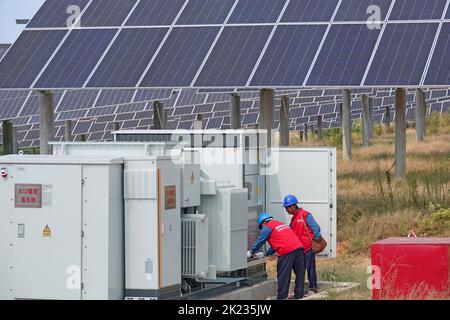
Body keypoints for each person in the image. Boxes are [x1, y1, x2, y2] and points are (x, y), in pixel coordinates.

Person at [247, 213, 305, 300]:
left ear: (263, 223)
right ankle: (299, 295)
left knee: (283, 275)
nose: (262, 229)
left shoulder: (268, 227)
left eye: (261, 227)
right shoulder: (281, 224)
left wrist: (250, 252)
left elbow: (260, 241)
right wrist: (265, 254)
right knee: (300, 274)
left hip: (286, 252)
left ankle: (281, 297)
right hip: (299, 249)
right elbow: (279, 243)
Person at [283, 195, 322, 296]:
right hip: (299, 249)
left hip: (308, 248)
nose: (286, 210)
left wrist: (314, 241)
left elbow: (316, 229)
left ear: (292, 206)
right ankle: (298, 289)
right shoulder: (293, 219)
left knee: (310, 268)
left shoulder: (305, 215)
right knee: (299, 271)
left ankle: (313, 288)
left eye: (287, 207)